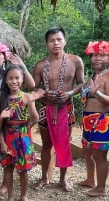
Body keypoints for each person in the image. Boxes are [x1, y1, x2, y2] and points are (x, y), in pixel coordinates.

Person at [32, 27, 85, 192]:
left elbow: (81, 83)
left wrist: (69, 93)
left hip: (66, 107)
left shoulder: (75, 61)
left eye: (58, 39)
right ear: (46, 44)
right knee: (46, 144)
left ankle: (63, 179)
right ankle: (44, 177)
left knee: (64, 144)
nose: (55, 43)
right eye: (51, 40)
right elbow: (34, 89)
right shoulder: (40, 65)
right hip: (45, 107)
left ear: (64, 41)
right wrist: (43, 93)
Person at [0, 42, 35, 195]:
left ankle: (6, 185)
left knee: (9, 156)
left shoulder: (11, 73)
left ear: (5, 57)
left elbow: (30, 85)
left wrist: (22, 65)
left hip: (11, 119)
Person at [0, 65, 44, 201]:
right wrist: (2, 142)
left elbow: (35, 118)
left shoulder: (26, 97)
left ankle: (23, 195)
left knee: (23, 169)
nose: (14, 81)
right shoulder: (1, 99)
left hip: (23, 137)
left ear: (22, 80)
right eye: (10, 78)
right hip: (7, 136)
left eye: (17, 78)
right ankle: (10, 196)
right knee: (8, 169)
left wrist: (32, 102)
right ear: (5, 80)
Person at [77, 41, 109, 197]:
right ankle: (90, 180)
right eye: (95, 55)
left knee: (99, 155)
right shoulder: (95, 75)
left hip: (101, 120)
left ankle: (101, 188)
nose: (98, 58)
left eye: (103, 55)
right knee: (87, 152)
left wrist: (97, 93)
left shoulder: (108, 75)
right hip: (88, 119)